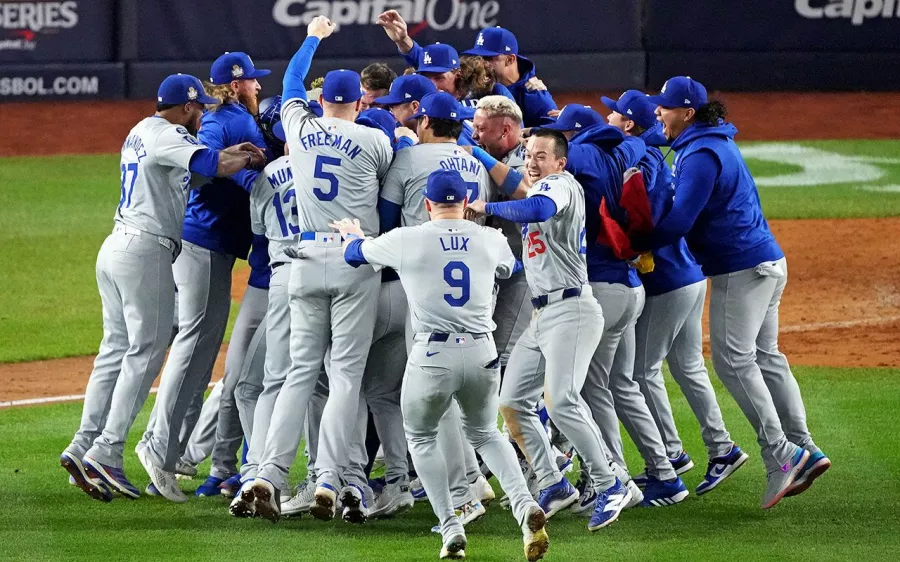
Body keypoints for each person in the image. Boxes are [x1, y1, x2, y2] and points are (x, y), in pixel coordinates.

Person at [60, 74, 265, 502]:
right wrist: (246, 160)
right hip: (145, 250)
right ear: (187, 108)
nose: (203, 114)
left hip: (116, 245)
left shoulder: (141, 130)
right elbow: (208, 165)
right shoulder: (170, 134)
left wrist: (229, 152)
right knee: (147, 349)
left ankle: (82, 445)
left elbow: (200, 162)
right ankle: (107, 452)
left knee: (115, 349)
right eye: (199, 108)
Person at [331, 169, 550, 562]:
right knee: (485, 433)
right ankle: (523, 505)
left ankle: (451, 527)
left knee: (422, 438)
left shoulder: (408, 239)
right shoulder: (490, 238)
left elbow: (353, 256)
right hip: (482, 351)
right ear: (466, 204)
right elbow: (512, 268)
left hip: (432, 356)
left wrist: (353, 236)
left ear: (426, 204)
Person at [636, 76, 829, 509]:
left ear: (687, 113)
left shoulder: (701, 154)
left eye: (663, 108)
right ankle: (805, 446)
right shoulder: (709, 140)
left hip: (740, 269)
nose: (657, 114)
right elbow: (654, 134)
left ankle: (782, 454)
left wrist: (635, 242)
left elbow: (680, 220)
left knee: (733, 362)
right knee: (766, 357)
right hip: (766, 261)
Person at [237, 16, 395, 524]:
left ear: (322, 100)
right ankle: (329, 476)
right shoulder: (375, 142)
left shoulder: (300, 130)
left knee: (299, 375)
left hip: (301, 259)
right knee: (344, 376)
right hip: (354, 260)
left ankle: (268, 473)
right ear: (359, 103)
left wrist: (312, 37)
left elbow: (287, 84)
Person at [467, 129, 632, 532]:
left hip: (573, 311)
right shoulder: (541, 185)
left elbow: (536, 207)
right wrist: (473, 150)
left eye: (542, 156)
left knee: (561, 401)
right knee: (511, 401)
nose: (533, 161)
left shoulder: (560, 185)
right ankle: (553, 482)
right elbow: (519, 185)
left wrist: (488, 206)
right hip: (543, 316)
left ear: (561, 162)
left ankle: (611, 482)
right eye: (529, 154)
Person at [136, 51, 272, 503]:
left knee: (202, 349)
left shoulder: (236, 116)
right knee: (193, 345)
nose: (258, 87)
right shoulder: (223, 119)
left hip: (213, 246)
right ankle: (157, 445)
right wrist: (245, 174)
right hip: (201, 244)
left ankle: (170, 451)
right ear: (235, 86)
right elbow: (199, 162)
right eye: (252, 82)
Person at [543, 104, 691, 508]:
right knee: (618, 385)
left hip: (601, 288)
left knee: (584, 389)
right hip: (630, 288)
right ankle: (664, 474)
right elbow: (641, 139)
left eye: (562, 137)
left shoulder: (583, 157)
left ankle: (610, 476)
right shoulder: (624, 150)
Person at [601, 90, 748, 495]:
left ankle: (670, 453)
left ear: (629, 123)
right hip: (691, 278)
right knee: (687, 367)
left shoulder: (636, 161)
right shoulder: (652, 154)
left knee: (637, 372)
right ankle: (722, 449)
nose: (606, 118)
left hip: (666, 281)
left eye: (611, 113)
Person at [463, 26, 557, 127]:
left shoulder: (534, 96)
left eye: (488, 58)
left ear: (510, 59)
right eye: (478, 57)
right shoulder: (469, 84)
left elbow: (556, 135)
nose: (481, 64)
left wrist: (528, 134)